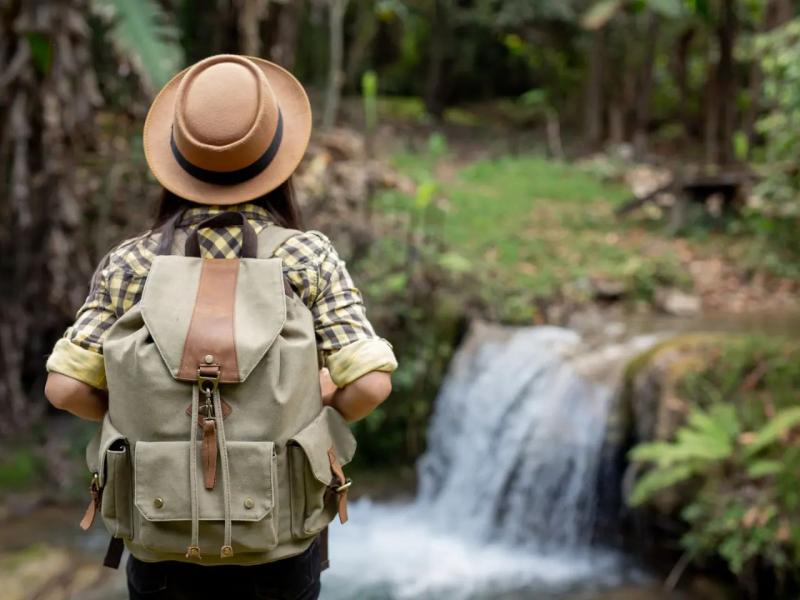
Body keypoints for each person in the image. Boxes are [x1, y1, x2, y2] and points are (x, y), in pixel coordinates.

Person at [44, 54, 396, 600]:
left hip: (160, 541)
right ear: (278, 159)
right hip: (279, 546)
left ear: (177, 159)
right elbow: (371, 384)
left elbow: (65, 387)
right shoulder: (307, 259)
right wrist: (315, 399)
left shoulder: (131, 264)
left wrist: (144, 406)